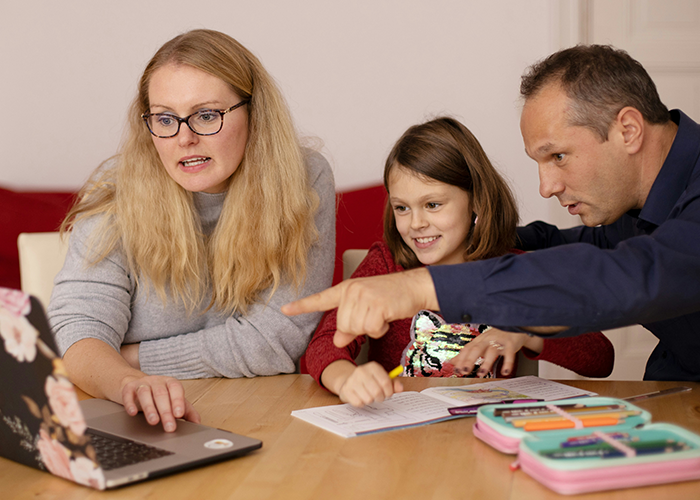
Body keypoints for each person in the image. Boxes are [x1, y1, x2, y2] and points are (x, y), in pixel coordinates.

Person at [283, 44, 700, 382]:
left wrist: (423, 286)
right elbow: (560, 244)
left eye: (558, 156)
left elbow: (635, 274)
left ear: (628, 130)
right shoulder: (628, 211)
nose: (547, 186)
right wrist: (470, 234)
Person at [48, 29, 335, 431]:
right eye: (165, 118)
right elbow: (75, 334)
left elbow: (277, 341)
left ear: (254, 113)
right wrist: (129, 381)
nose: (184, 138)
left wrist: (129, 357)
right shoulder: (118, 192)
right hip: (134, 418)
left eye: (206, 115)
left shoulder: (303, 178)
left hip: (260, 415)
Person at [304, 118, 613, 407]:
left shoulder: (514, 272)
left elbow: (600, 357)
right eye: (402, 208)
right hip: (400, 439)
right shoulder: (386, 264)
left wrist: (527, 331)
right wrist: (346, 378)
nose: (416, 223)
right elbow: (322, 346)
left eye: (433, 204)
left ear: (476, 200)